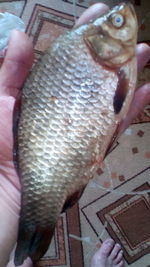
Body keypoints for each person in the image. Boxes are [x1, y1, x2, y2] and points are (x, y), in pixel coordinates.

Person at [0, 3, 149, 267]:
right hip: (46, 141)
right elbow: (118, 100)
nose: (126, 20)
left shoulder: (98, 55)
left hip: (55, 140)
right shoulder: (94, 53)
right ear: (99, 41)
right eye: (117, 23)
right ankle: (26, 249)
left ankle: (24, 254)